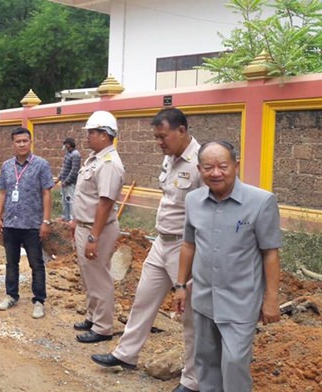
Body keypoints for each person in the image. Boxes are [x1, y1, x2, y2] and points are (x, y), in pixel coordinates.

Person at [91, 108, 201, 392]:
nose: (159, 143)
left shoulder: (201, 162)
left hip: (185, 246)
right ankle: (126, 354)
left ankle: (192, 380)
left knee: (189, 315)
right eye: (156, 137)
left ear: (182, 130)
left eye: (163, 136)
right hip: (160, 242)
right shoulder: (170, 158)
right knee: (143, 300)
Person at [174, 141, 281, 392]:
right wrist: (180, 285)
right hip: (203, 299)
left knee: (234, 364)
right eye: (209, 167)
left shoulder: (261, 201)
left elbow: (270, 253)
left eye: (223, 166)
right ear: (200, 169)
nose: (216, 173)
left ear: (236, 165)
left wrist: (271, 298)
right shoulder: (193, 200)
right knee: (206, 363)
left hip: (240, 301)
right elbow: (188, 245)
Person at [70, 110, 125, 344]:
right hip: (86, 226)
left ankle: (103, 327)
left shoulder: (110, 164)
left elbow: (105, 203)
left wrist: (93, 236)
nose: (88, 136)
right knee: (89, 275)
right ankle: (93, 316)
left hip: (98, 229)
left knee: (99, 277)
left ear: (105, 135)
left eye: (92, 132)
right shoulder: (95, 159)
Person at [0, 127, 54, 319]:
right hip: (10, 223)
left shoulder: (41, 165)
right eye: (18, 141)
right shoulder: (6, 166)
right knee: (11, 263)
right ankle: (11, 295)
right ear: (12, 144)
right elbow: (3, 192)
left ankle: (39, 301)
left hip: (32, 224)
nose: (21, 144)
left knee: (37, 264)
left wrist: (45, 221)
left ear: (30, 142)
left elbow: (46, 193)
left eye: (25, 141)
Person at [55, 137, 81, 222]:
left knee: (71, 201)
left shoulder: (75, 154)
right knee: (64, 200)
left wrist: (67, 181)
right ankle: (65, 217)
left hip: (70, 183)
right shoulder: (68, 153)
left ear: (69, 144)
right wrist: (58, 179)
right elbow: (64, 168)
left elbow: (74, 170)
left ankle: (72, 219)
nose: (65, 146)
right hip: (64, 182)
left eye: (66, 144)